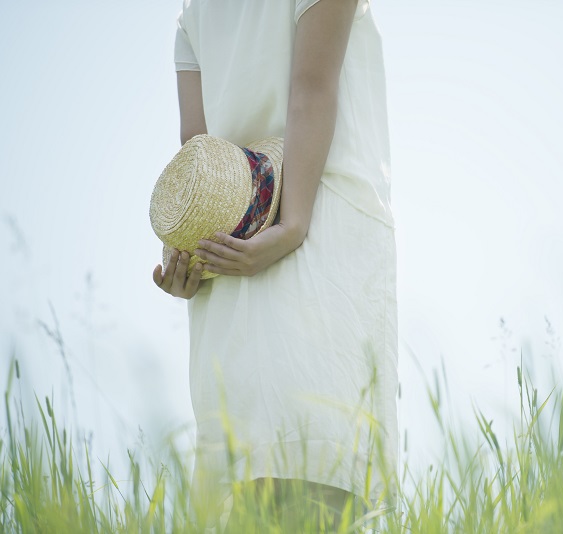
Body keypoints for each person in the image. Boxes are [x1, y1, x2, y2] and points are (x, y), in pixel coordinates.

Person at [151, 0, 399, 530]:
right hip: (317, 238)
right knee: (319, 471)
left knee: (252, 490)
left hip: (232, 257)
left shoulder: (193, 18)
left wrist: (186, 257)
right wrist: (294, 223)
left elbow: (198, 154)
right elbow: (311, 92)